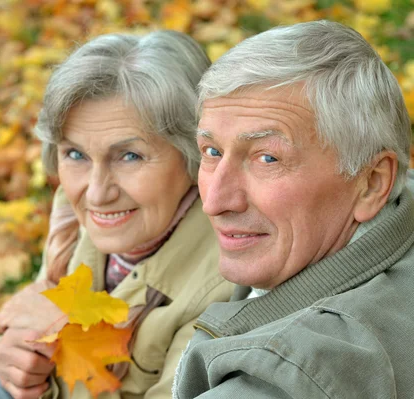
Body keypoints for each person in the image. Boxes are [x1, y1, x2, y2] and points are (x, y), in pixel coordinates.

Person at [0, 30, 234, 399]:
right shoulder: (74, 214)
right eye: (76, 154)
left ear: (194, 156)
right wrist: (13, 363)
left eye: (130, 156)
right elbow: (34, 333)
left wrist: (59, 344)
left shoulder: (223, 279)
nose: (95, 192)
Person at [172, 20, 414, 398]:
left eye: (267, 158)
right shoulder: (401, 203)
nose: (215, 201)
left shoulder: (287, 380)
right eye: (212, 152)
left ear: (371, 183)